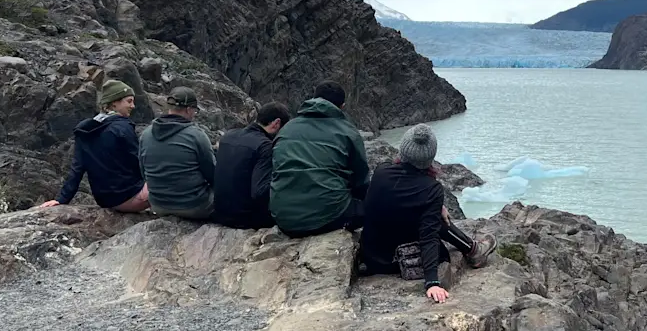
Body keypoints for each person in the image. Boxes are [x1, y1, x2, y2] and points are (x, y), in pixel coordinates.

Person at [358, 124, 497, 303]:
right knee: (436, 220)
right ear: (430, 157)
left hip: (372, 257)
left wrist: (435, 205)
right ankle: (473, 250)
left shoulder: (381, 172)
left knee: (420, 213)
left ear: (403, 150)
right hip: (400, 261)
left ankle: (473, 248)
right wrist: (432, 282)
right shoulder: (431, 188)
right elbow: (428, 235)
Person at [269, 81, 370, 237]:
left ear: (313, 98)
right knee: (378, 206)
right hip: (329, 217)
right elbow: (361, 180)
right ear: (342, 106)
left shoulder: (286, 129)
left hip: (284, 218)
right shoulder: (348, 131)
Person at [40, 79, 150, 212]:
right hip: (129, 197)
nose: (133, 106)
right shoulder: (122, 128)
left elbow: (77, 168)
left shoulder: (86, 130)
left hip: (105, 200)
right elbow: (138, 163)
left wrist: (62, 199)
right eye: (129, 101)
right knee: (169, 178)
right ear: (114, 103)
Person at [139, 86, 216, 220]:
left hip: (158, 205)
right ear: (189, 109)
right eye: (195, 110)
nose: (194, 114)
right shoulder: (196, 135)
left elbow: (143, 171)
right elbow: (212, 174)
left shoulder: (145, 135)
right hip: (195, 206)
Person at [212, 102, 292, 229]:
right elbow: (260, 193)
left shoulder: (228, 136)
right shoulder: (265, 146)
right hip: (245, 220)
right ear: (276, 123)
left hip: (219, 213)